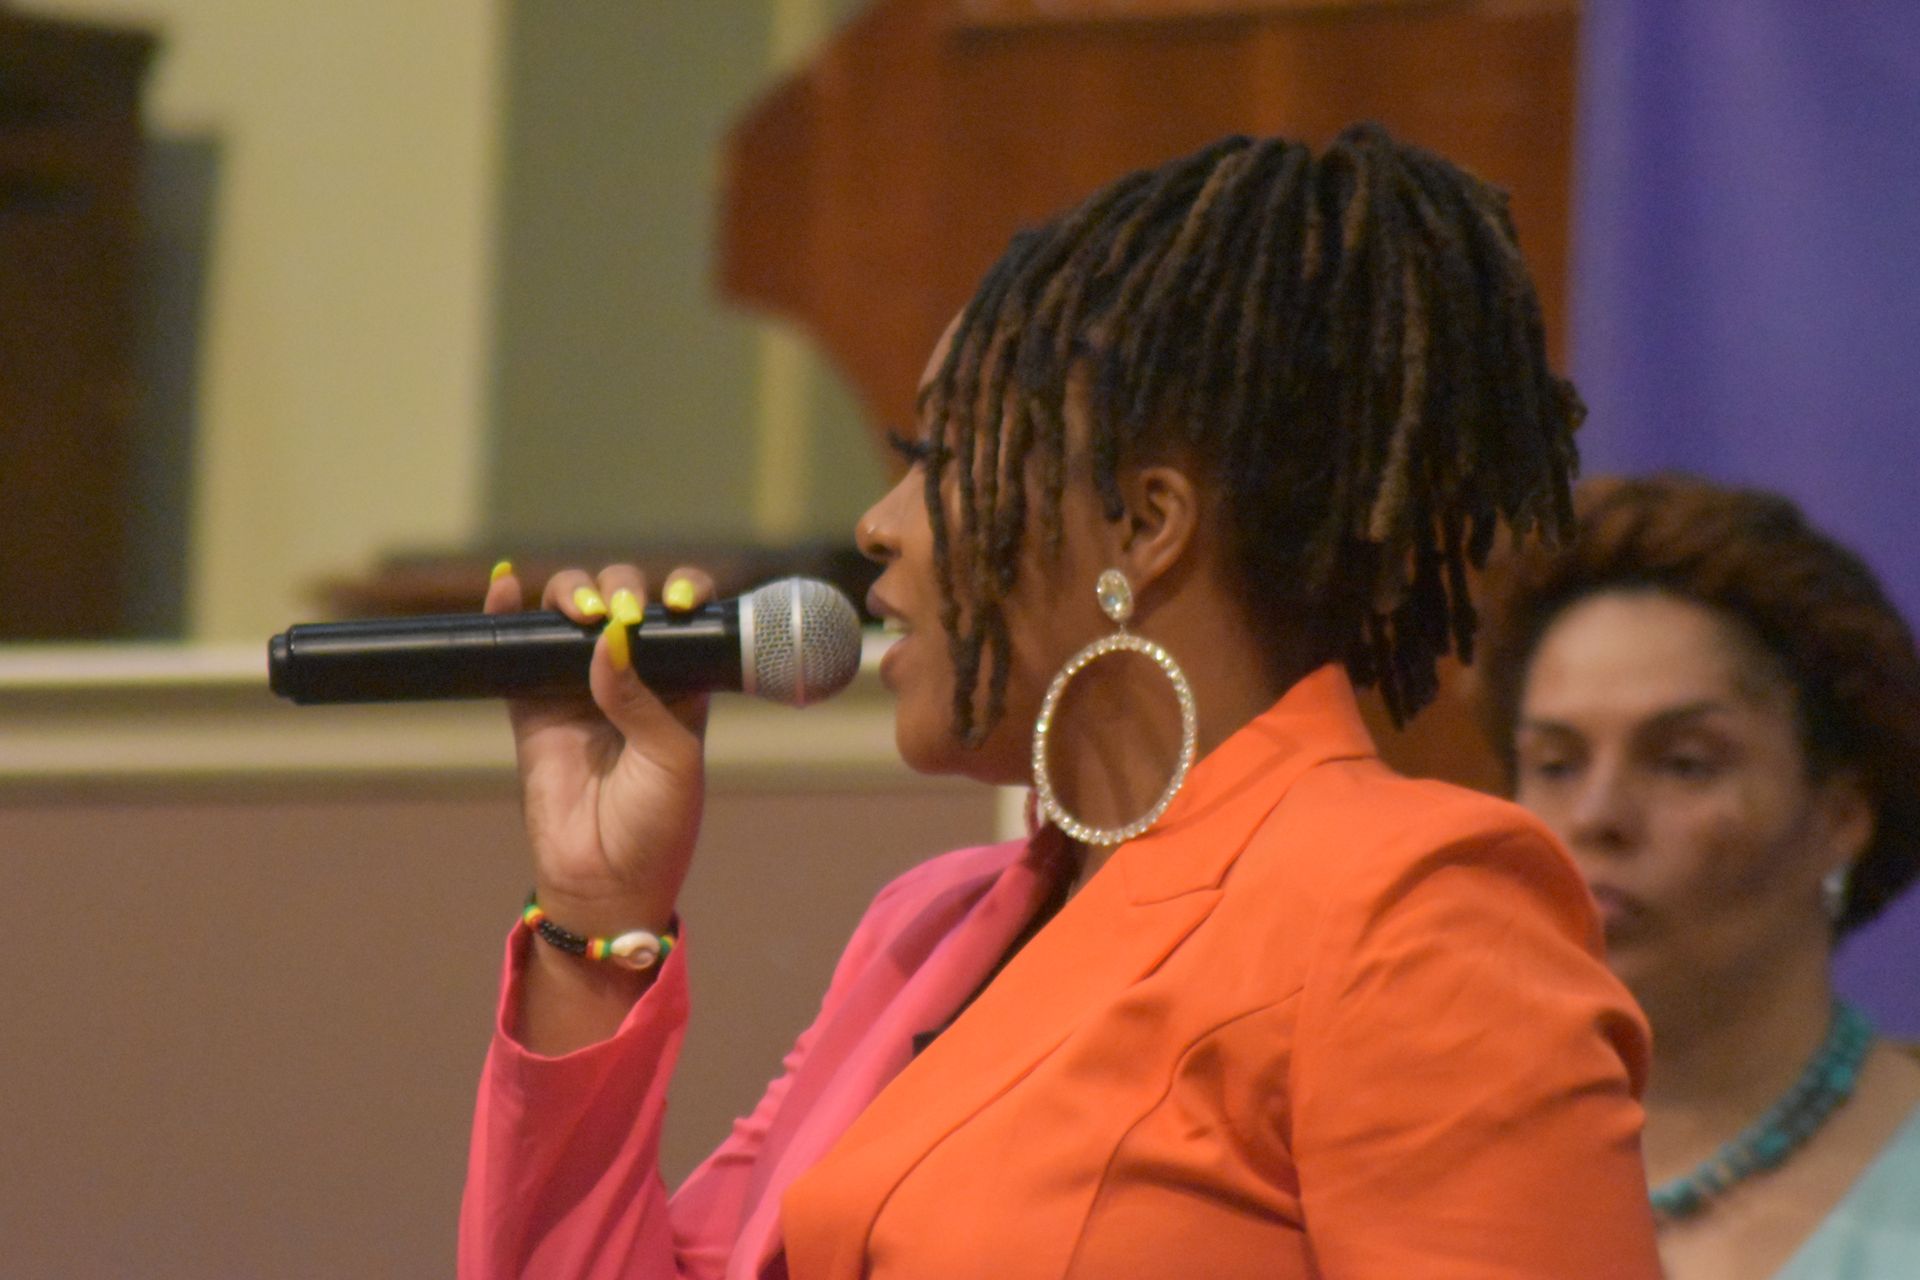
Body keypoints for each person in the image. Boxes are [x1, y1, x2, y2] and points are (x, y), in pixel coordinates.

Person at [459, 126, 1663, 1279]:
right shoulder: (927, 931)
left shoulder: (1414, 912)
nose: (879, 525)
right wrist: (596, 918)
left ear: (1144, 525)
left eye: (937, 460)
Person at [1479, 473, 1920, 1279]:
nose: (1597, 816)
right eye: (1556, 763)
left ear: (1840, 817)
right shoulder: (1412, 1158)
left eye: (1684, 762)